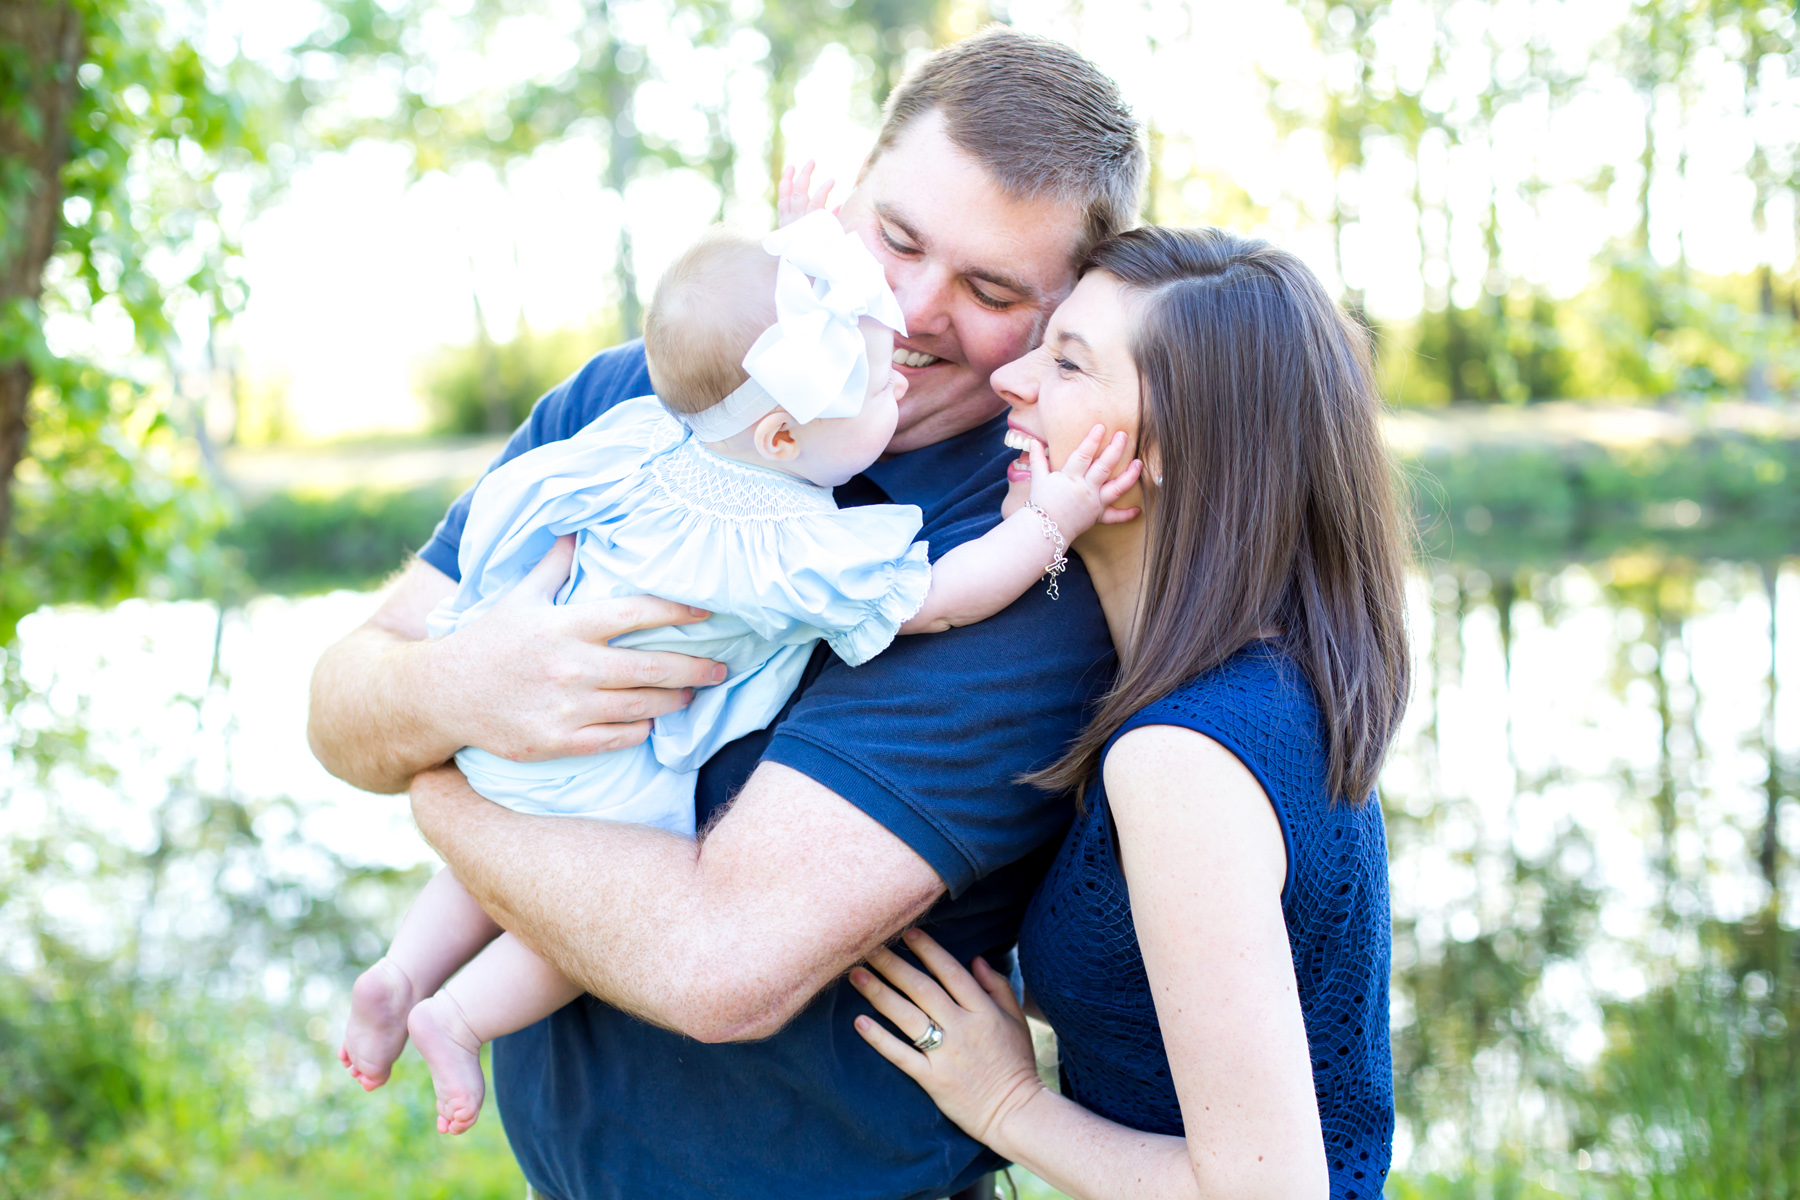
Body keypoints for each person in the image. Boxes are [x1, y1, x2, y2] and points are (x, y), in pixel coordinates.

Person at [307, 28, 1146, 1200]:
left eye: (992, 291)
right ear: (847, 198)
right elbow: (343, 707)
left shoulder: (1024, 562)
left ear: (1068, 312)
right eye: (897, 239)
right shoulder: (645, 395)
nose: (910, 310)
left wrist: (443, 780)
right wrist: (460, 688)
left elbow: (718, 969)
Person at [844, 226, 1410, 1200]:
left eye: (1068, 364)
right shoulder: (1253, 682)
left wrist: (1005, 1104)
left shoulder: (1183, 758)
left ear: (1175, 451)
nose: (1012, 380)